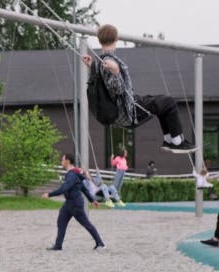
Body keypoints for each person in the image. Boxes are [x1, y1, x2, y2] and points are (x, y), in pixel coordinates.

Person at [82, 24, 196, 152]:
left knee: (161, 104)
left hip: (123, 108)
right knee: (169, 102)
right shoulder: (110, 62)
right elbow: (117, 89)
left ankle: (169, 140)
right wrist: (116, 71)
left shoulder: (100, 61)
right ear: (117, 38)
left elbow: (102, 83)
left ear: (99, 40)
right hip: (128, 111)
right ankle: (177, 142)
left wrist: (91, 65)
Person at [42, 153, 106, 251]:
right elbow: (83, 188)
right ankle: (58, 245)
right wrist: (92, 200)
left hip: (76, 204)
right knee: (61, 221)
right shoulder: (75, 173)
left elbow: (65, 188)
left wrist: (49, 194)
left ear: (67, 161)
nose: (61, 162)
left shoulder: (72, 175)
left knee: (86, 223)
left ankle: (100, 243)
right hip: (69, 203)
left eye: (62, 160)